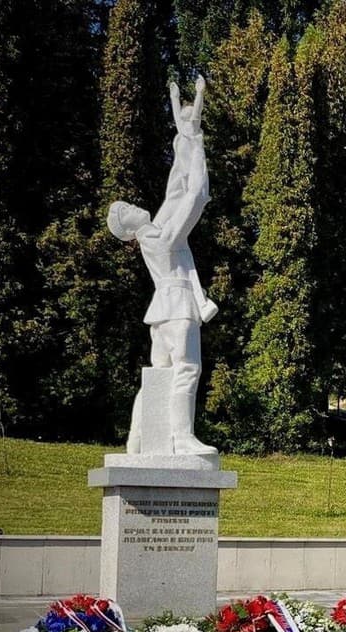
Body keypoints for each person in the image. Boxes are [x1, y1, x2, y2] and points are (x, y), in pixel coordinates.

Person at [108, 76, 218, 456]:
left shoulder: (153, 227)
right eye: (125, 211)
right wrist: (197, 147)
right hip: (176, 308)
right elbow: (191, 199)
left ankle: (139, 438)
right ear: (128, 229)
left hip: (164, 312)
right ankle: (181, 438)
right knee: (187, 370)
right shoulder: (155, 237)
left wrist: (187, 139)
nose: (130, 206)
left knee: (158, 377)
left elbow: (177, 189)